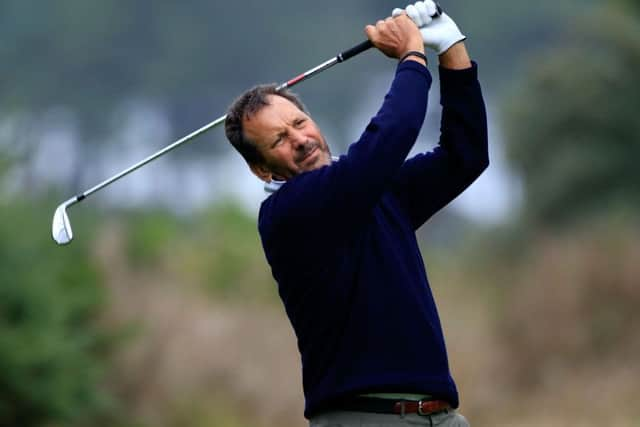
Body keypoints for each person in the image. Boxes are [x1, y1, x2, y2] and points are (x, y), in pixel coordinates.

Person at [224, 1, 487, 426]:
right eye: (278, 140)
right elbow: (389, 138)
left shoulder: (376, 190)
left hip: (439, 415)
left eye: (299, 122)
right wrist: (411, 56)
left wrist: (452, 50)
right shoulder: (289, 213)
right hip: (362, 417)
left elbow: (465, 156)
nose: (300, 139)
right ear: (262, 168)